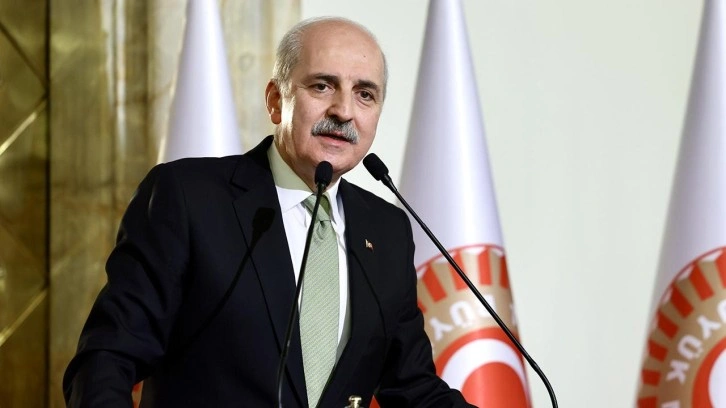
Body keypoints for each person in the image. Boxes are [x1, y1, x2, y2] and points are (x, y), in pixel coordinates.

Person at [63, 16, 474, 408]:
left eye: (365, 94)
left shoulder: (386, 229)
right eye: (322, 86)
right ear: (277, 101)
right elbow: (107, 357)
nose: (344, 111)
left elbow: (413, 387)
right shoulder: (189, 198)